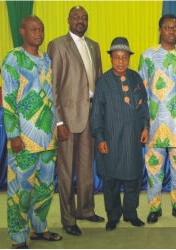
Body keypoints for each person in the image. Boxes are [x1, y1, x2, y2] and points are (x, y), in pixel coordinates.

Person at [2, 15, 62, 249]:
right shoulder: (13, 58)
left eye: (41, 29)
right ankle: (18, 237)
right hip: (24, 140)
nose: (38, 33)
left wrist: (57, 128)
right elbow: (8, 99)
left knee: (45, 188)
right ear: (23, 32)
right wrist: (13, 134)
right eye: (33, 29)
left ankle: (39, 228)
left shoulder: (46, 59)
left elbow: (51, 97)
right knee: (21, 190)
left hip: (48, 141)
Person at [47, 6, 104, 236]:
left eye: (84, 18)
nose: (81, 21)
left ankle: (86, 210)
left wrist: (100, 115)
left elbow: (98, 82)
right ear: (68, 19)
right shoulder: (58, 45)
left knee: (85, 168)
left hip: (90, 115)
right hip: (68, 119)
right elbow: (53, 86)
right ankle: (68, 218)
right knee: (66, 169)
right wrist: (59, 122)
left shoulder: (94, 46)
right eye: (76, 17)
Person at [90, 37, 149, 231]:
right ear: (111, 58)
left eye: (124, 57)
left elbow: (144, 107)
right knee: (111, 180)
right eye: (117, 57)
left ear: (129, 58)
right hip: (111, 140)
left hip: (132, 139)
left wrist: (145, 127)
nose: (121, 61)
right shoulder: (103, 82)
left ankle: (131, 213)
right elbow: (96, 113)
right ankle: (113, 215)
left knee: (133, 178)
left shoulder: (136, 78)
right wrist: (100, 138)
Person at [138, 14, 176, 223]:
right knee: (154, 169)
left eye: (175, 28)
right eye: (167, 28)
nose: (172, 31)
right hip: (154, 124)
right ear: (160, 30)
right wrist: (143, 123)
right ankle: (154, 208)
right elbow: (141, 91)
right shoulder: (148, 55)